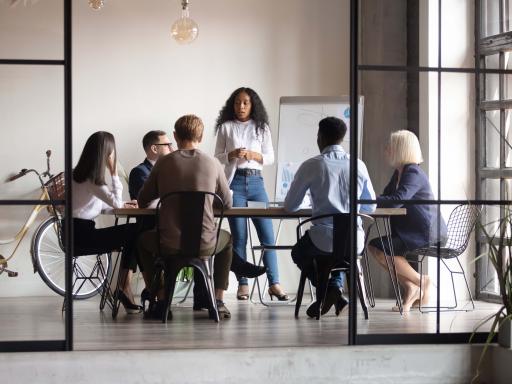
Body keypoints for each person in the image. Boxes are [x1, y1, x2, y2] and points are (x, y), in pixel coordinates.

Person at [137, 115, 263, 319]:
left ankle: (161, 300)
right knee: (228, 240)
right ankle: (218, 301)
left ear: (176, 136)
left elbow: (143, 201)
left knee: (142, 242)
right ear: (202, 137)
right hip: (205, 243)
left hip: (168, 243)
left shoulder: (163, 163)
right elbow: (227, 204)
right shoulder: (213, 164)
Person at [284, 117, 376, 318]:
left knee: (299, 253)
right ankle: (336, 293)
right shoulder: (359, 165)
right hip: (354, 240)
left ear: (320, 137)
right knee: (336, 256)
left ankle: (331, 287)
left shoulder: (312, 165)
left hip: (323, 240)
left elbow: (290, 206)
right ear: (341, 139)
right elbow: (370, 206)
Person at [214, 87, 287, 301]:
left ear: (253, 104)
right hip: (234, 183)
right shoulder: (226, 128)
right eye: (237, 103)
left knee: (267, 236)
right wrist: (231, 155)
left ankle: (274, 283)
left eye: (245, 103)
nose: (241, 107)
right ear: (232, 105)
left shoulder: (261, 127)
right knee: (239, 237)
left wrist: (255, 155)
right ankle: (243, 284)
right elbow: (217, 156)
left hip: (256, 182)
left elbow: (271, 157)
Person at [367, 130, 447, 312]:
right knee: (376, 246)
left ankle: (421, 282)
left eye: (390, 146)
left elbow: (395, 200)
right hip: (412, 231)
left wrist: (365, 200)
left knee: (379, 247)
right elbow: (388, 196)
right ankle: (412, 287)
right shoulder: (399, 173)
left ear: (400, 149)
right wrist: (368, 198)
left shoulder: (413, 172)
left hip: (426, 232)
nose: (386, 149)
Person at [72, 131, 141, 314]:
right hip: (83, 237)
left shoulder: (78, 175)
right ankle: (123, 287)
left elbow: (92, 207)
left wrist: (120, 205)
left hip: (75, 233)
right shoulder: (93, 180)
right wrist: (113, 173)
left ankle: (123, 287)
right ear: (107, 153)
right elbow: (115, 203)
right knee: (136, 232)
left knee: (132, 234)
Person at [129, 130, 173, 201]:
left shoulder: (171, 170)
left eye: (170, 145)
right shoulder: (139, 172)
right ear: (154, 149)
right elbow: (150, 200)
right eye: (167, 145)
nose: (172, 149)